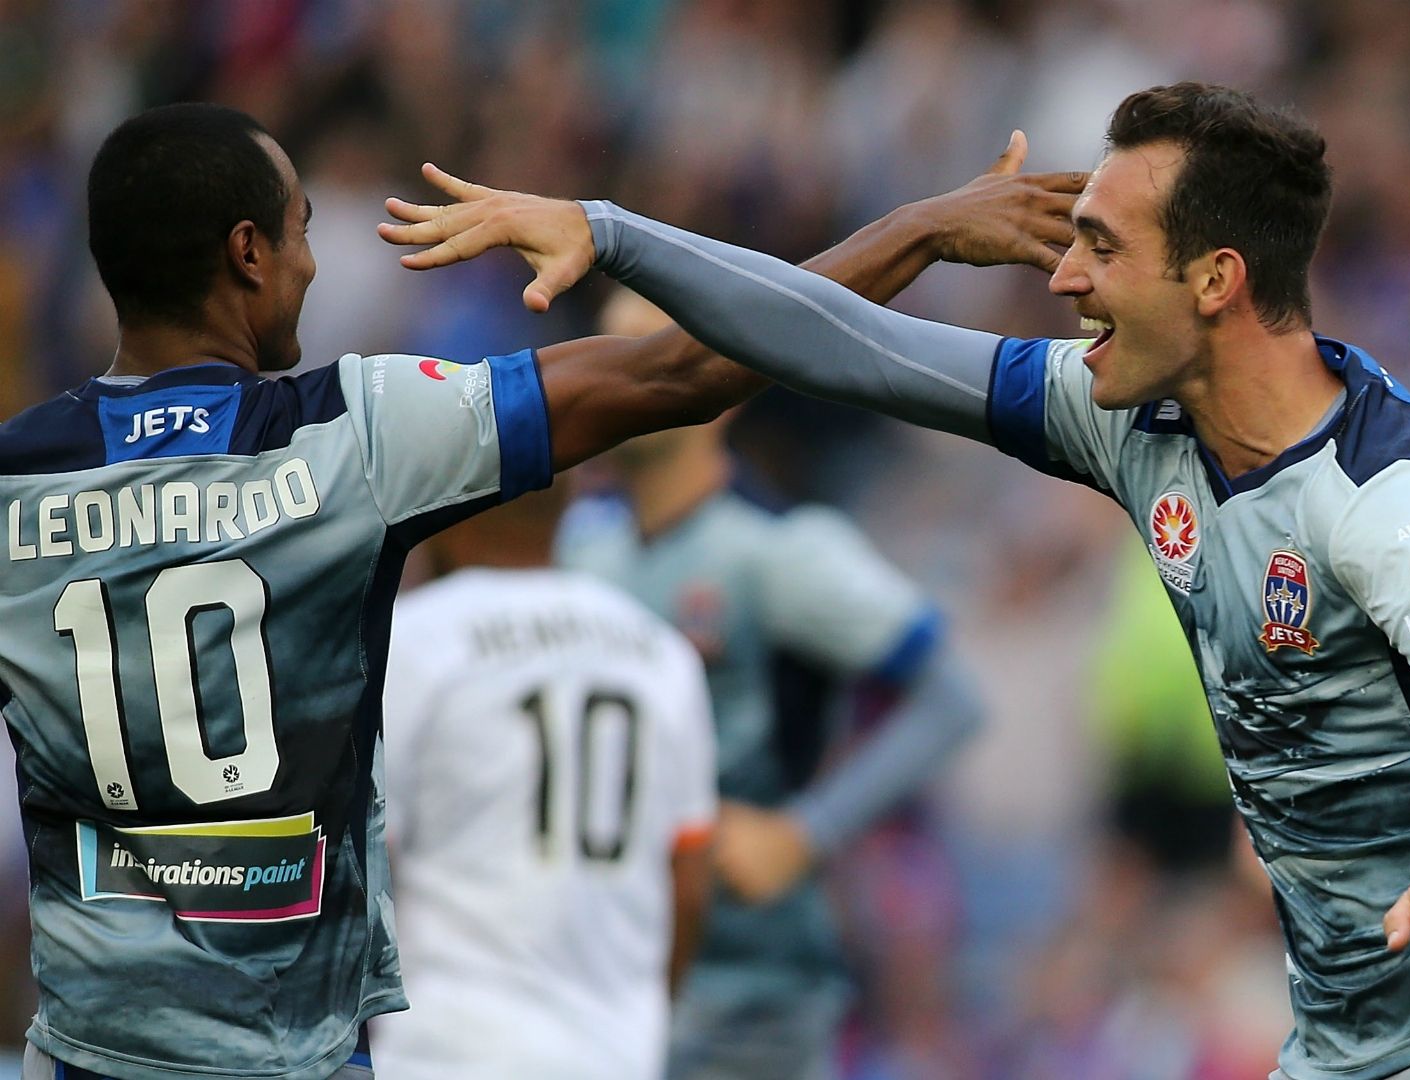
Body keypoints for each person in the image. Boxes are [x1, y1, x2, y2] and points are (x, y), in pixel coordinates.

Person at [381, 81, 1410, 1080]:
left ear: (1215, 280)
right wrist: (612, 233)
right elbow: (844, 347)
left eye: (1100, 247)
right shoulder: (1130, 420)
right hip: (1340, 1042)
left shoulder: (1382, 489)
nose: (1062, 279)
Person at [0, 101, 1080, 1080]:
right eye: (300, 230)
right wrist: (922, 233)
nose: (312, 266)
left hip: (92, 1053)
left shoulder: (13, 483)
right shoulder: (351, 437)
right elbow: (686, 371)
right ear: (247, 253)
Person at [559, 294, 984, 1080]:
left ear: (717, 382)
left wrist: (806, 831)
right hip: (601, 976)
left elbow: (953, 701)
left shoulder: (784, 553)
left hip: (748, 992)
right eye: (609, 359)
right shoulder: (580, 548)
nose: (622, 380)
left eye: (648, 354)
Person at [371, 479, 717, 1080]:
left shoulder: (411, 639)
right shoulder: (663, 653)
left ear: (442, 516)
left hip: (444, 1048)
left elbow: (359, 872)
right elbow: (688, 882)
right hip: (616, 1053)